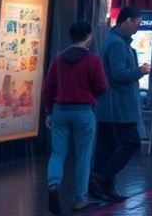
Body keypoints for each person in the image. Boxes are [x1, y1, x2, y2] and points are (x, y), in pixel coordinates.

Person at [42, 20, 107, 214]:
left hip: (60, 110)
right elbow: (102, 87)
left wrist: (49, 111)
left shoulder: (58, 59)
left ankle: (53, 185)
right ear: (88, 36)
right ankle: (80, 199)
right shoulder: (93, 60)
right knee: (83, 156)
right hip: (84, 112)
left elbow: (49, 87)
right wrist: (89, 92)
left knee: (58, 153)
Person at [91, 6, 151, 203]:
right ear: (126, 21)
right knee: (131, 142)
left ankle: (104, 187)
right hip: (119, 106)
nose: (138, 27)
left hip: (109, 105)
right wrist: (140, 71)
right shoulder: (117, 44)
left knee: (106, 146)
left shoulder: (115, 41)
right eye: (137, 23)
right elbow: (118, 74)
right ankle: (100, 177)